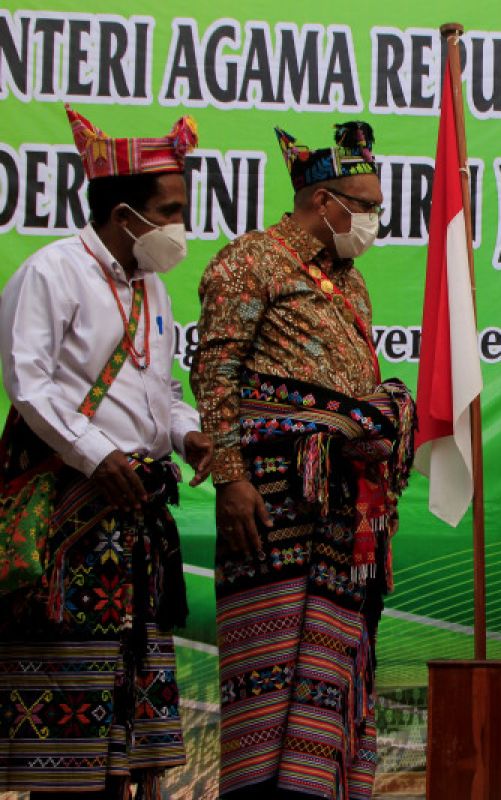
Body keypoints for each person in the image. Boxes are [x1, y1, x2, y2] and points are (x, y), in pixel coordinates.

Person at [191, 121, 415, 799]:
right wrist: (229, 482)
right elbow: (217, 374)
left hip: (344, 510)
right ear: (324, 202)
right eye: (366, 204)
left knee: (332, 678)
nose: (375, 219)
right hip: (272, 498)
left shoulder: (351, 281)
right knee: (272, 673)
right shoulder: (248, 262)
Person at [0, 107, 212, 798]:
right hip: (75, 511)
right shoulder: (52, 272)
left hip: (137, 513)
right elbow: (28, 383)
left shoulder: (153, 285)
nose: (182, 225)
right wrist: (97, 456)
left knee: (131, 713)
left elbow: (162, 389)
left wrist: (188, 433)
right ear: (125, 214)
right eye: (172, 210)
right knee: (71, 706)